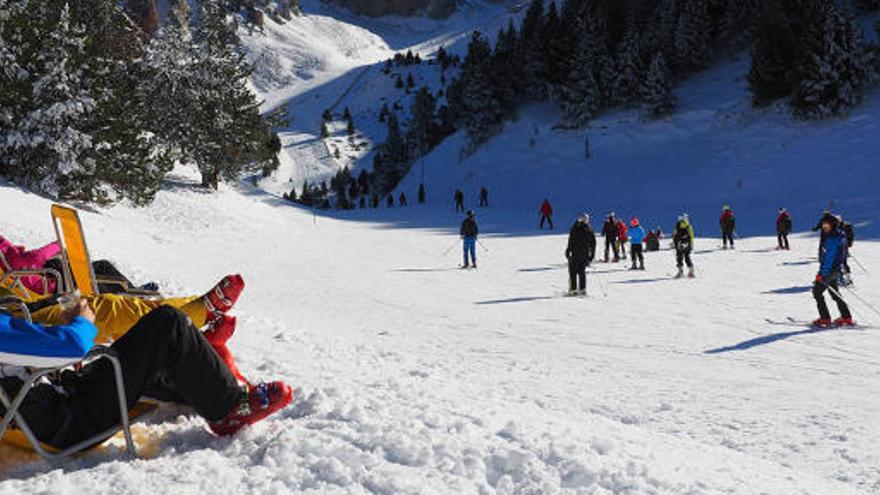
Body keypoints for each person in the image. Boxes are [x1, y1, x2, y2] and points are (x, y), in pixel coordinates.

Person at [0, 301, 293, 449]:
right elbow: (73, 345)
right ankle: (228, 409)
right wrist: (82, 322)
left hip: (53, 395)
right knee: (168, 324)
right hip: (68, 417)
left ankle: (201, 359)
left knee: (158, 350)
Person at [812, 218, 853, 327]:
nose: (824, 228)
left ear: (833, 226)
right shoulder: (841, 236)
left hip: (829, 270)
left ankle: (825, 318)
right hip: (836, 270)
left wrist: (822, 273)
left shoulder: (832, 239)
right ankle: (846, 317)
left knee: (817, 292)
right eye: (823, 226)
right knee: (835, 293)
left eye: (827, 226)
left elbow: (829, 258)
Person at [565, 213, 596, 295]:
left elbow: (571, 239)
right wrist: (592, 255)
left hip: (575, 253)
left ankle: (573, 289)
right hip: (584, 254)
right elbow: (593, 243)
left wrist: (568, 250)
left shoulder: (576, 228)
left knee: (573, 271)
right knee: (582, 271)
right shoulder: (589, 229)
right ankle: (582, 289)